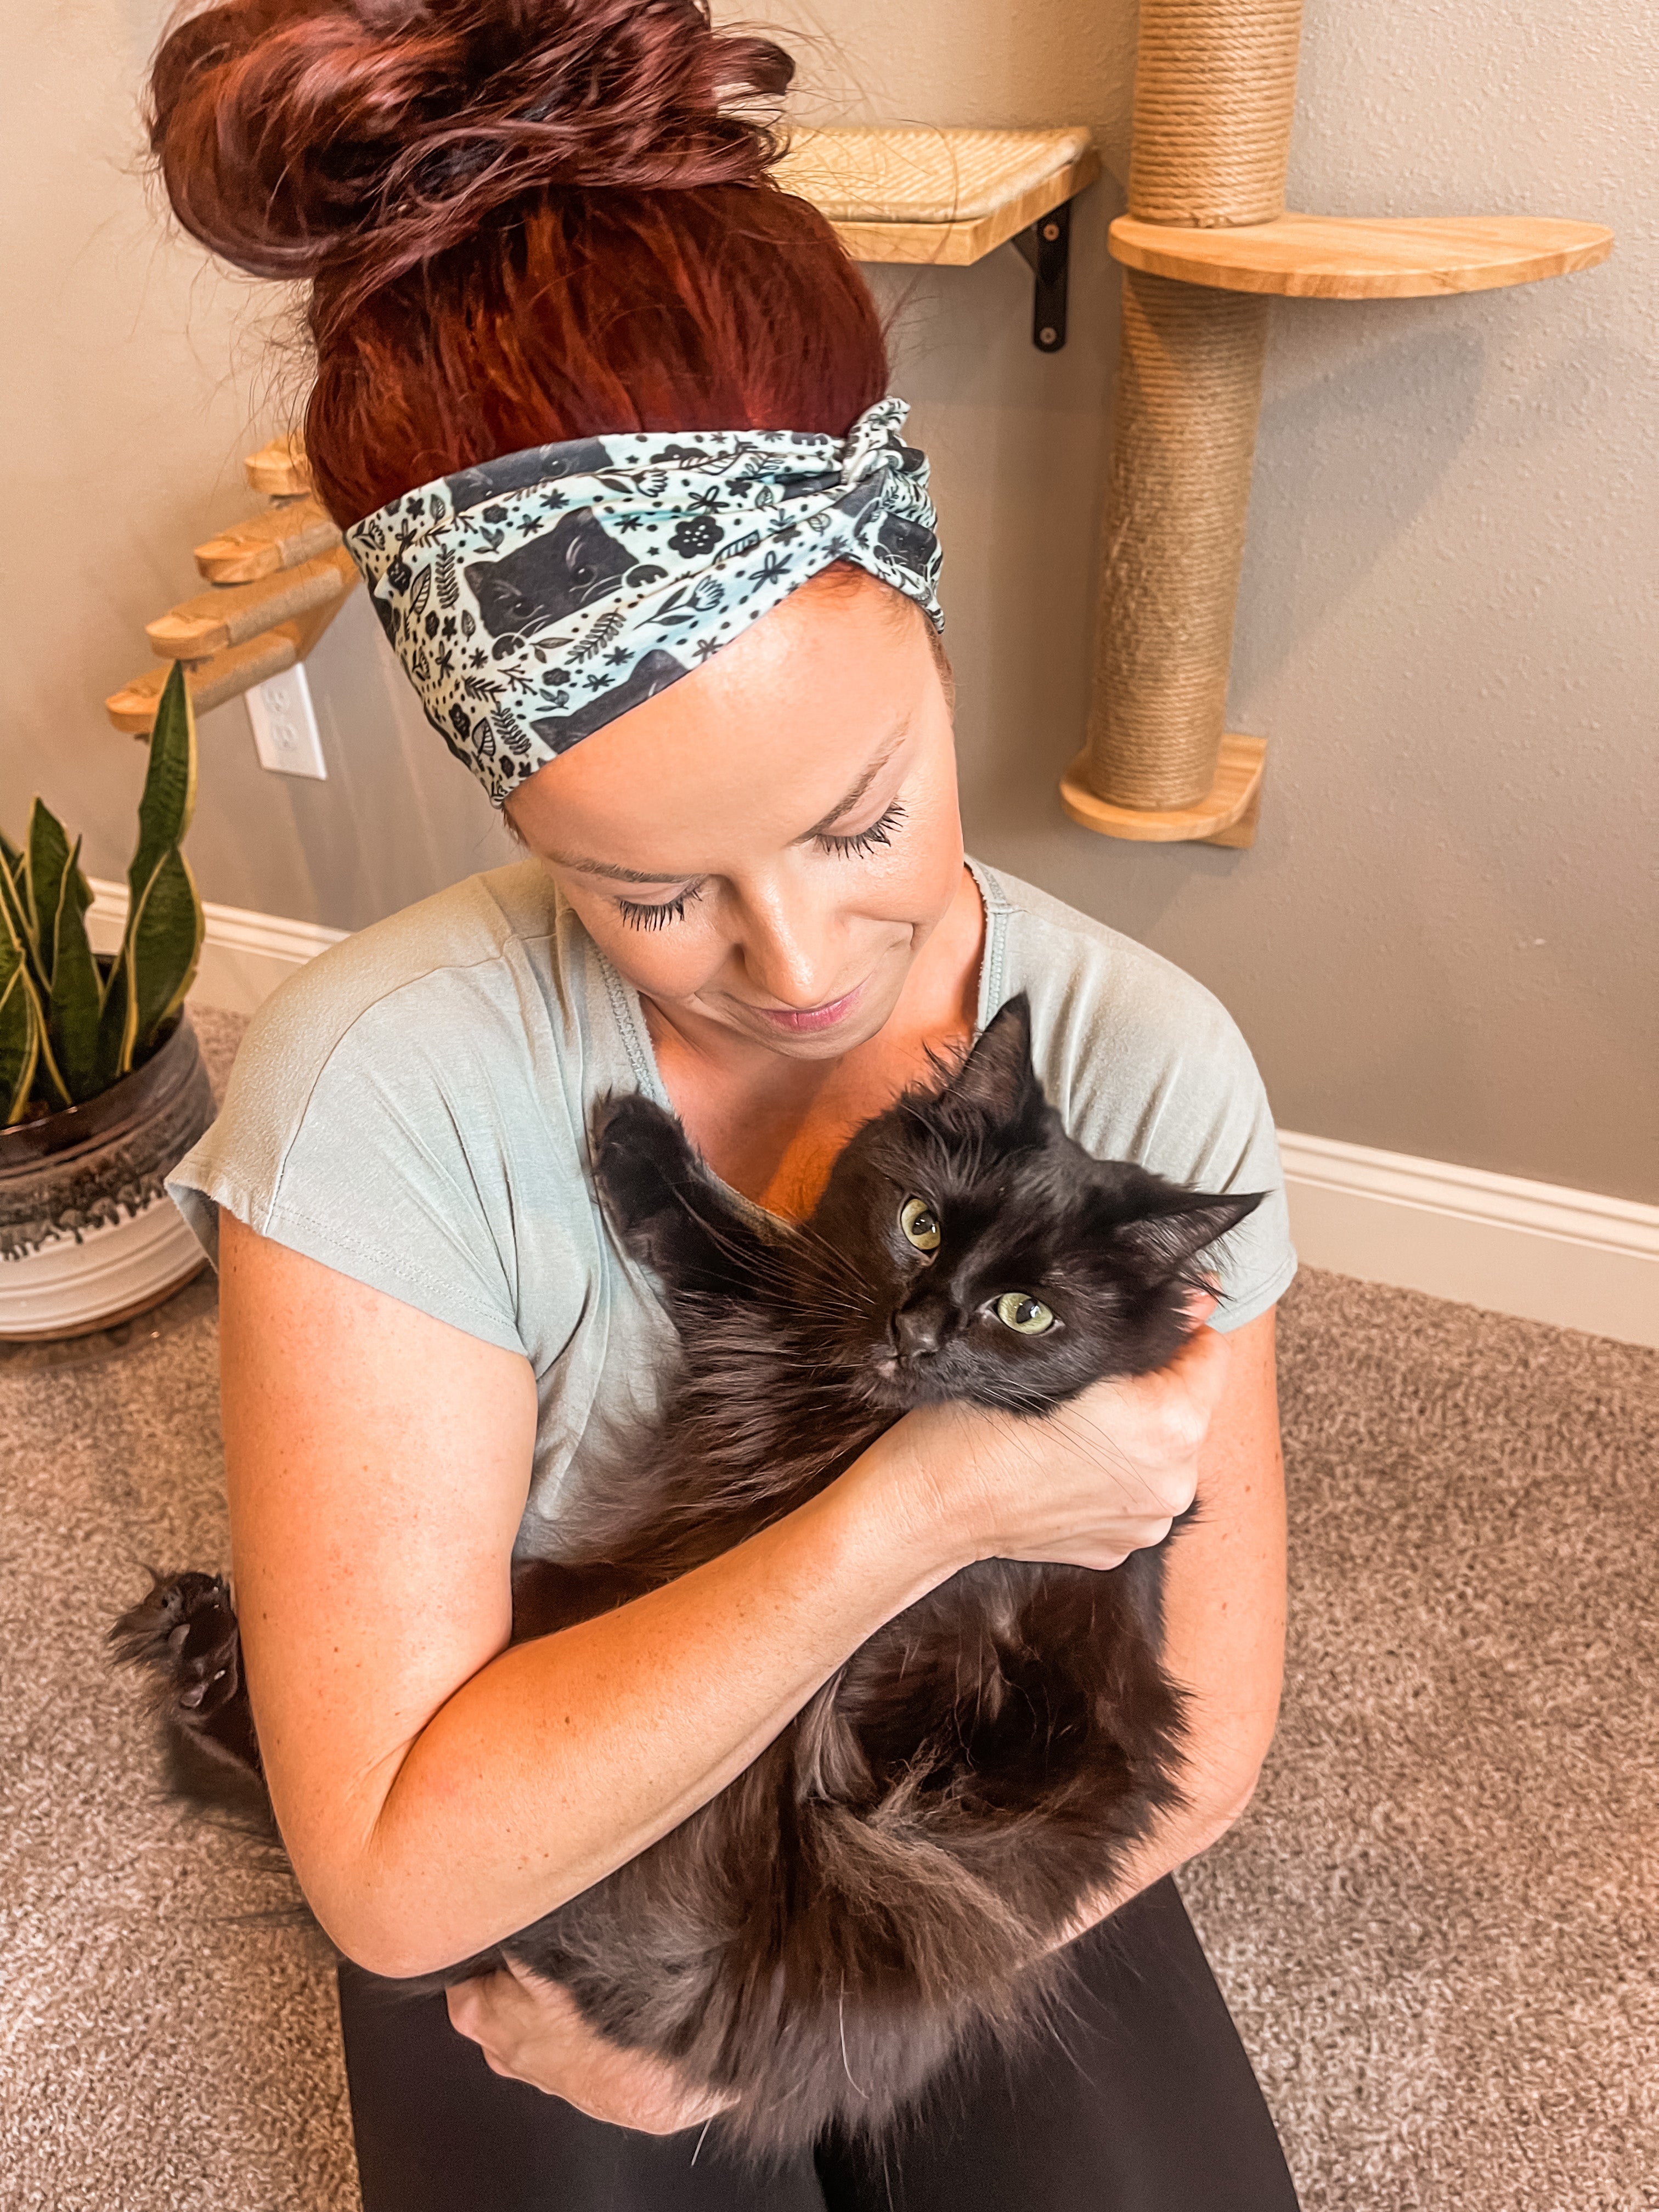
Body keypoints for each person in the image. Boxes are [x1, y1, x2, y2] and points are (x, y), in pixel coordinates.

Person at [155, 2, 1301, 2204]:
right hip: (579, 1742)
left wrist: (813, 2025)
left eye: (865, 819)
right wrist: (919, 1508)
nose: (795, 963)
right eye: (652, 891)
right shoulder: (386, 1088)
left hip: (957, 1774)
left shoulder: (1150, 1056)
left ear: (939, 639)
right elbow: (401, 1874)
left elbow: (1210, 1729)